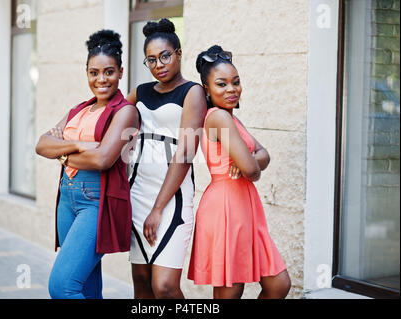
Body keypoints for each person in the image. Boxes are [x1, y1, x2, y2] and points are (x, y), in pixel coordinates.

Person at [35, 30, 139, 299]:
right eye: (94, 72)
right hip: (67, 199)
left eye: (109, 72)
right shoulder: (78, 109)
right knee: (86, 287)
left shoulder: (124, 111)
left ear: (120, 72)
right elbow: (41, 145)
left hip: (96, 200)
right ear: (87, 73)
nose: (101, 79)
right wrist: (78, 146)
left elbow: (103, 159)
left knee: (62, 286)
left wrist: (60, 152)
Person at [187, 45, 291, 299]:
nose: (232, 89)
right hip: (226, 206)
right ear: (208, 91)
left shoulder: (232, 118)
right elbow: (253, 170)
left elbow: (263, 155)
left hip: (245, 205)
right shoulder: (218, 118)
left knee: (278, 284)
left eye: (236, 82)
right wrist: (251, 162)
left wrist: (251, 159)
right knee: (231, 291)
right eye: (221, 84)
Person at [126, 18, 207, 299]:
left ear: (179, 53)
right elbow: (111, 116)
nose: (159, 64)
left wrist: (158, 209)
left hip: (172, 198)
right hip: (137, 194)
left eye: (165, 56)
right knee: (141, 279)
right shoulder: (141, 91)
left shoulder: (193, 92)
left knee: (165, 286)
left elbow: (185, 154)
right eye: (151, 60)